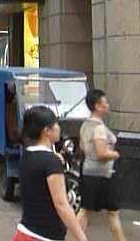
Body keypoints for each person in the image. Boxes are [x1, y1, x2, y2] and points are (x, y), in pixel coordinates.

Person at [14, 106, 87, 241]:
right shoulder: (50, 161)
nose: (59, 127)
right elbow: (61, 205)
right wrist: (82, 238)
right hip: (43, 236)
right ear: (46, 131)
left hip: (24, 232)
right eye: (56, 123)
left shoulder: (27, 156)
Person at [77, 89, 127, 241]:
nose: (108, 105)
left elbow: (82, 147)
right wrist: (115, 154)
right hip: (102, 175)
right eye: (105, 102)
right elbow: (101, 153)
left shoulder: (85, 125)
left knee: (86, 210)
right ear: (98, 106)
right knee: (112, 212)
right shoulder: (99, 128)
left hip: (89, 172)